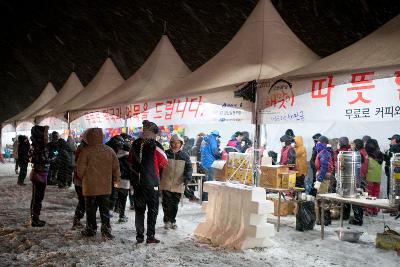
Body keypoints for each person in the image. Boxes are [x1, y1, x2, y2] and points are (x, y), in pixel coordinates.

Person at [77, 128, 121, 240]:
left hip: (90, 188)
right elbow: (116, 168)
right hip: (105, 187)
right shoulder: (109, 150)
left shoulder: (85, 151)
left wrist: (86, 179)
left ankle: (91, 229)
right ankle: (106, 231)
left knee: (91, 211)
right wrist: (116, 181)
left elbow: (80, 170)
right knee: (104, 211)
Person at [129, 120, 168, 244]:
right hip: (152, 183)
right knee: (152, 210)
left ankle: (139, 236)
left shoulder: (134, 144)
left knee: (139, 210)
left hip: (138, 183)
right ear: (154, 132)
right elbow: (164, 162)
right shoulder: (156, 145)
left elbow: (130, 161)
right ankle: (150, 236)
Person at [160, 135, 193, 229]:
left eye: (178, 142)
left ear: (181, 144)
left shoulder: (185, 155)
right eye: (173, 142)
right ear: (170, 143)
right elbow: (159, 167)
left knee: (174, 204)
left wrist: (187, 177)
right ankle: (166, 220)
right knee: (166, 203)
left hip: (178, 184)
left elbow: (189, 168)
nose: (175, 144)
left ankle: (173, 220)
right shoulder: (165, 154)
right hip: (165, 182)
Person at [29, 125, 51, 227]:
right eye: (45, 133)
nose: (47, 135)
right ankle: (35, 220)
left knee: (36, 198)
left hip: (38, 174)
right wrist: (51, 159)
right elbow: (41, 159)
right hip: (39, 175)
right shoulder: (40, 145)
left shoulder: (36, 144)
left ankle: (34, 217)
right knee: (37, 198)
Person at [314, 135, 333, 226]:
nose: (317, 143)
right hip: (323, 178)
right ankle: (322, 219)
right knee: (321, 198)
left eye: (319, 142)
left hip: (324, 179)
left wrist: (319, 179)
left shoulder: (324, 153)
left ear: (323, 143)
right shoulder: (322, 152)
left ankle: (325, 219)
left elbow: (324, 167)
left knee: (322, 198)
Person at [348, 139, 368, 226]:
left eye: (352, 145)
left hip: (358, 178)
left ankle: (358, 219)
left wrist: (352, 153)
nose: (351, 146)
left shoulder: (359, 154)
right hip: (362, 177)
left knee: (356, 199)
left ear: (356, 145)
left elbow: (356, 164)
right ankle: (358, 217)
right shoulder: (364, 152)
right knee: (358, 197)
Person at [115, 136, 132, 223]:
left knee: (116, 195)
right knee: (123, 198)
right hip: (125, 181)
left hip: (116, 179)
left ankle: (115, 209)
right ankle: (121, 215)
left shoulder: (116, 156)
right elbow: (130, 169)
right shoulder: (129, 157)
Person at [200, 130, 221, 200]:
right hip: (210, 163)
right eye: (218, 137)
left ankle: (204, 198)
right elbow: (214, 151)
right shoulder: (212, 139)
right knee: (210, 181)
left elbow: (201, 151)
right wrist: (219, 155)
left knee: (205, 181)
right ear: (216, 136)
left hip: (203, 163)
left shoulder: (205, 140)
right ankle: (207, 199)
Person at [72, 139, 87, 229]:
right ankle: (77, 219)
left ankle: (77, 219)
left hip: (79, 180)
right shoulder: (83, 151)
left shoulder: (80, 150)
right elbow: (81, 168)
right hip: (81, 181)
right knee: (83, 202)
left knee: (82, 201)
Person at [365, 139, 383, 216]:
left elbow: (365, 166)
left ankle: (369, 209)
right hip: (378, 178)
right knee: (376, 194)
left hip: (369, 177)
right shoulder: (380, 154)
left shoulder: (368, 155)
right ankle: (375, 209)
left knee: (369, 194)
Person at [384, 134, 400, 200]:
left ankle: (391, 202)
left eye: (391, 140)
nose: (390, 141)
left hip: (392, 171)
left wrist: (385, 153)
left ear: (395, 140)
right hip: (397, 172)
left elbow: (387, 157)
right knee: (397, 186)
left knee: (391, 186)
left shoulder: (394, 147)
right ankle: (397, 201)